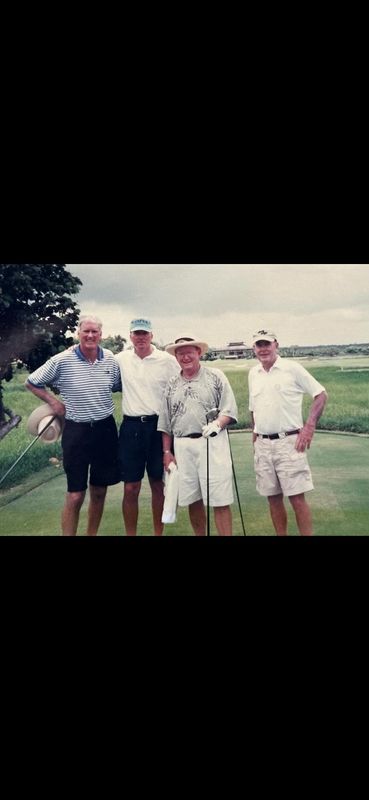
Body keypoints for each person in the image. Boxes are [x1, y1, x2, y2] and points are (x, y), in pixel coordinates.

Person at [25, 315, 121, 536]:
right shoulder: (62, 360)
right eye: (86, 331)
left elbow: (117, 385)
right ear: (78, 333)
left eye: (94, 332)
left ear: (101, 334)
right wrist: (54, 402)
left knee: (99, 491)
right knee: (75, 494)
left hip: (105, 429)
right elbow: (32, 381)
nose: (90, 335)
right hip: (76, 430)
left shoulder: (110, 359)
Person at [248, 329, 328, 536]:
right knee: (272, 498)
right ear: (254, 349)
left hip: (289, 442)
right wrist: (254, 437)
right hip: (263, 445)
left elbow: (320, 394)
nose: (263, 349)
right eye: (259, 345)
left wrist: (309, 427)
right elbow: (253, 408)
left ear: (276, 345)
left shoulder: (292, 368)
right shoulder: (253, 373)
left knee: (296, 498)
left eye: (267, 344)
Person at [158, 336, 238, 536]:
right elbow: (165, 421)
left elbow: (229, 409)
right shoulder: (172, 383)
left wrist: (218, 424)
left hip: (212, 442)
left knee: (219, 499)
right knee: (193, 499)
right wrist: (167, 451)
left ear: (198, 353)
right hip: (183, 445)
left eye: (189, 352)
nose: (185, 357)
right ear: (176, 356)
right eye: (180, 353)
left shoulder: (215, 376)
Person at [115, 318, 180, 535]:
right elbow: (97, 360)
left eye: (144, 333)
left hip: (158, 427)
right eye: (136, 334)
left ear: (151, 335)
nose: (141, 337)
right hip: (131, 427)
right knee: (131, 487)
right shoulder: (120, 359)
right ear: (130, 335)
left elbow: (180, 387)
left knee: (157, 485)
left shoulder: (167, 360)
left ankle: (158, 533)